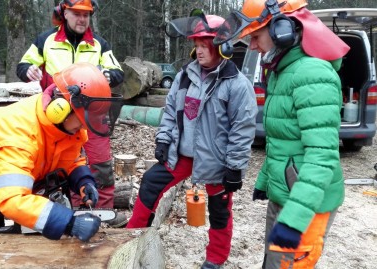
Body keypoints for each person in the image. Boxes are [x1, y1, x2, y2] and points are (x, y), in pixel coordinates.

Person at [213, 0, 349, 268]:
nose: (251, 45)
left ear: (282, 30)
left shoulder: (312, 74)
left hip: (306, 205)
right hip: (287, 193)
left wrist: (295, 218)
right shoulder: (282, 71)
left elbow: (322, 157)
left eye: (255, 36)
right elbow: (282, 141)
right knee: (273, 262)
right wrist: (266, 181)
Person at [126, 14, 258, 269]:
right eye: (196, 45)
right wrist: (164, 140)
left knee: (220, 210)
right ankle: (131, 239)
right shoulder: (184, 76)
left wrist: (235, 166)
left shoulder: (237, 85)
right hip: (182, 153)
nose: (199, 51)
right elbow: (171, 112)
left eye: (204, 45)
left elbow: (242, 130)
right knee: (151, 184)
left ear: (222, 46)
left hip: (217, 160)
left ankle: (216, 258)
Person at [0, 62, 123, 242]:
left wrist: (83, 181)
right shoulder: (14, 135)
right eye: (81, 122)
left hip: (20, 184)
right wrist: (68, 223)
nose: (82, 129)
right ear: (60, 108)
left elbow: (71, 156)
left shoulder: (65, 126)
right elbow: (14, 201)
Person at [16, 0, 126, 227]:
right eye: (77, 14)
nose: (82, 19)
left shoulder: (98, 44)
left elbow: (117, 72)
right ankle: (68, 211)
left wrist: (108, 75)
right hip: (59, 116)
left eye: (86, 15)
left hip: (93, 113)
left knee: (101, 165)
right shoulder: (46, 41)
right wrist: (29, 70)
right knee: (62, 165)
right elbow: (23, 65)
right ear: (64, 13)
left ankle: (103, 209)